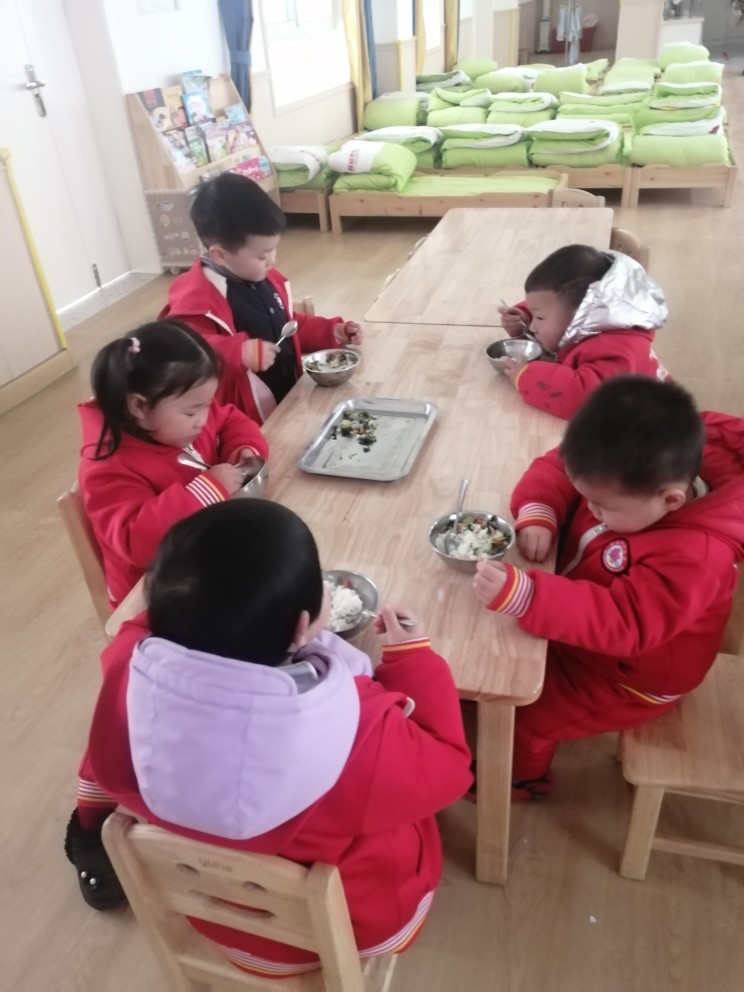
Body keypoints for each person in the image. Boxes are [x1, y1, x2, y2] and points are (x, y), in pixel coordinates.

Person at [66, 499, 472, 978]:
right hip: (344, 931)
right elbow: (450, 768)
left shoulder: (124, 671)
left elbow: (136, 633)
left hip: (220, 922)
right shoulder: (359, 728)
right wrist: (414, 659)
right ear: (302, 627)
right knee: (407, 817)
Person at [473, 376, 744, 799]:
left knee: (525, 715)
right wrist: (539, 511)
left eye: (601, 506)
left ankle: (518, 783)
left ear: (671, 501)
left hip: (629, 678)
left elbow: (627, 622)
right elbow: (560, 467)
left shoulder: (697, 557)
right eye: (586, 498)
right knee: (491, 664)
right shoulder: (625, 471)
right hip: (584, 630)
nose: (590, 508)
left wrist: (529, 596)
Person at [78, 321, 269, 606]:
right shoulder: (106, 466)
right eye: (192, 412)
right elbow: (136, 542)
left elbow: (229, 418)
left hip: (206, 546)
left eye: (207, 405)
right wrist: (206, 491)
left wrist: (241, 449)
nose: (203, 420)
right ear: (139, 406)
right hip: (159, 592)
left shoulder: (181, 417)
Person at [160, 172, 362, 423]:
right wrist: (238, 353)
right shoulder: (198, 300)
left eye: (273, 250)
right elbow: (183, 356)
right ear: (220, 255)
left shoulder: (265, 278)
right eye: (262, 256)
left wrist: (333, 332)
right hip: (244, 420)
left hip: (288, 399)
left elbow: (287, 327)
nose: (272, 260)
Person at [497, 244, 670, 419]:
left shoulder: (614, 350)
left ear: (583, 314)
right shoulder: (598, 322)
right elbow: (551, 307)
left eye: (539, 317)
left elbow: (584, 399)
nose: (532, 327)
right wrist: (524, 318)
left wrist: (526, 377)